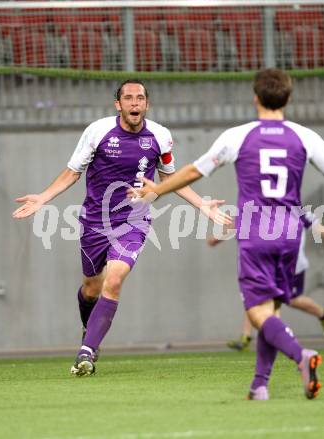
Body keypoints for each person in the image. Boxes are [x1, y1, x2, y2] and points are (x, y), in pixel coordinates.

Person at [130, 69, 324, 400]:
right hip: (291, 233)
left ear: (255, 97)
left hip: (257, 230)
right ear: (288, 98)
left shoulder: (237, 136)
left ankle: (300, 356)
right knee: (272, 308)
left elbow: (193, 171)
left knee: (257, 312)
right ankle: (260, 384)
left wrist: (157, 190)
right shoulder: (305, 136)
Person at [12, 79, 231, 377]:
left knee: (113, 281)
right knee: (91, 289)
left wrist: (201, 204)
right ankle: (90, 332)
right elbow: (73, 172)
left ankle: (86, 353)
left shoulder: (160, 136)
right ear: (118, 105)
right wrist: (43, 197)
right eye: (128, 98)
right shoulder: (98, 131)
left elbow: (170, 177)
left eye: (140, 98)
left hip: (133, 222)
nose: (134, 103)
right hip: (94, 223)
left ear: (147, 104)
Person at [211, 218, 324, 351]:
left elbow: (315, 223)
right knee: (257, 294)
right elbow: (242, 220)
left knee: (290, 299)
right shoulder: (263, 204)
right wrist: (219, 237)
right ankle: (247, 337)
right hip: (269, 261)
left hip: (292, 265)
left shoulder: (296, 208)